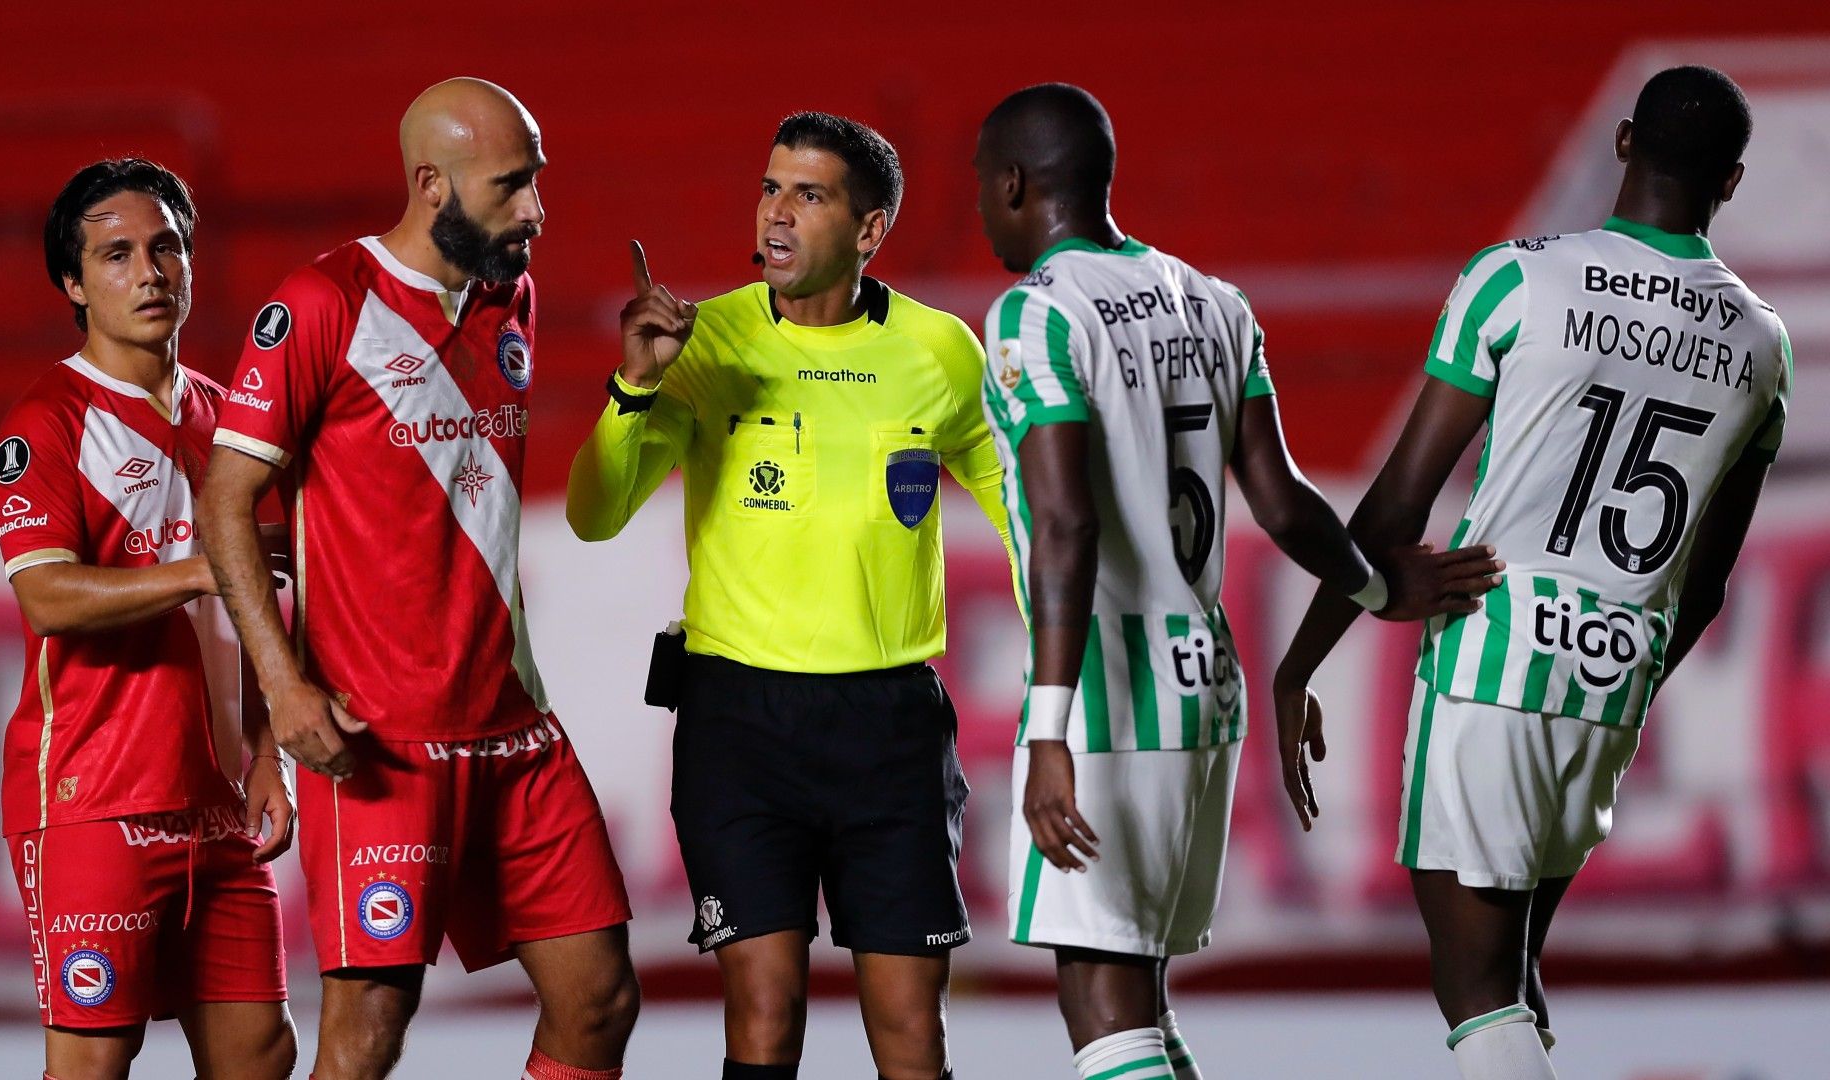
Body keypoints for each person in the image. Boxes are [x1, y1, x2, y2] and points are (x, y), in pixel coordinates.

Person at [971, 83, 1501, 1080]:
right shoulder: (1213, 301)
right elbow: (1283, 500)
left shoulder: (1035, 317)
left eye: (978, 188)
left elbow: (1066, 523)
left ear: (1012, 184)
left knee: (1102, 1003)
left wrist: (1046, 729)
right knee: (1141, 999)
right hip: (1207, 687)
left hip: (1109, 696)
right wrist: (1377, 590)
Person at [1273, 66, 1789, 1080]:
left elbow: (1399, 501)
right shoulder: (1760, 345)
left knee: (1477, 992)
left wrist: (1302, 665)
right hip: (1613, 679)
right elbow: (1708, 586)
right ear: (1729, 182)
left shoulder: (1519, 279)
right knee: (1511, 978)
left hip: (1494, 658)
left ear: (1625, 140)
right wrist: (1624, 677)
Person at [198, 79, 637, 1080]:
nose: (536, 209)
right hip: (379, 736)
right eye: (511, 185)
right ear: (432, 184)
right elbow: (227, 499)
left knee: (600, 999)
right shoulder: (322, 304)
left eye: (537, 181)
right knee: (368, 1034)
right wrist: (283, 688)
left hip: (514, 724)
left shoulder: (508, 293)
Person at [567, 111, 1015, 1080]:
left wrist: (1078, 658)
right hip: (740, 724)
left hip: (890, 725)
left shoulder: (940, 352)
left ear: (868, 229)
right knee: (764, 1015)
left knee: (912, 1031)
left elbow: (1026, 518)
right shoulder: (704, 340)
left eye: (809, 195)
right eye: (770, 188)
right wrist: (634, 388)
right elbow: (594, 515)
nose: (776, 212)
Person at [0, 158, 296, 1080]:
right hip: (94, 805)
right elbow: (47, 596)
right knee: (93, 1063)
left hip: (218, 805)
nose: (151, 272)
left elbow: (251, 615)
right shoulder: (47, 423)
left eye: (166, 248)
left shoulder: (229, 419)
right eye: (117, 255)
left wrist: (267, 753)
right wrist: (206, 568)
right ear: (74, 284)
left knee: (260, 1055)